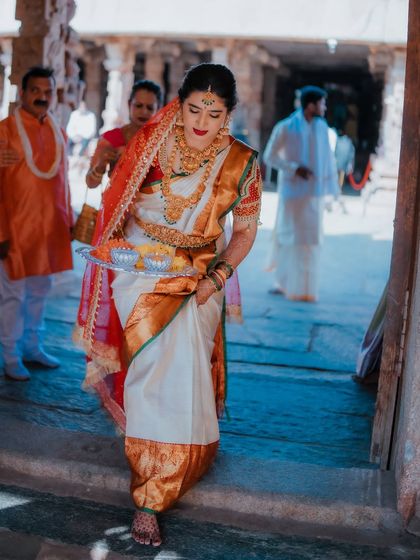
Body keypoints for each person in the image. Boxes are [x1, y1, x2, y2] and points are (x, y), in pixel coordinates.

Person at [74, 63, 262, 546]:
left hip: (199, 274)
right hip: (138, 268)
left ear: (229, 114)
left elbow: (244, 232)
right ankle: (148, 492)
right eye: (194, 108)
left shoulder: (243, 162)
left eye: (214, 112)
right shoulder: (151, 144)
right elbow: (119, 205)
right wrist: (116, 252)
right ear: (180, 105)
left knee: (184, 369)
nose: (202, 121)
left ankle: (178, 464)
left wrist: (216, 277)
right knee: (149, 368)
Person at [0, 66, 73, 381]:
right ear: (23, 93)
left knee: (41, 289)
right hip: (14, 228)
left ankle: (32, 346)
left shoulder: (58, 130)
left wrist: (68, 219)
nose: (43, 97)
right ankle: (10, 355)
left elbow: (63, 180)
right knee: (13, 293)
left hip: (49, 227)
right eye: (36, 91)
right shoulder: (5, 130)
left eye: (48, 92)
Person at [264, 85, 338, 302]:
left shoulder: (322, 128)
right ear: (311, 105)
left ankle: (306, 288)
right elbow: (270, 157)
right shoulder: (286, 127)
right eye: (322, 103)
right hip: (292, 193)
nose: (325, 107)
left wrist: (330, 190)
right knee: (289, 238)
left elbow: (329, 162)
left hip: (314, 193)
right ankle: (284, 283)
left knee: (310, 240)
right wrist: (294, 168)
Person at [86, 79, 162, 188]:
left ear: (158, 109)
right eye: (138, 105)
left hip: (152, 204)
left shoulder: (164, 140)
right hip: (114, 203)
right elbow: (90, 183)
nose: (144, 112)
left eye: (150, 108)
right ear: (129, 104)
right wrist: (100, 165)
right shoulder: (111, 138)